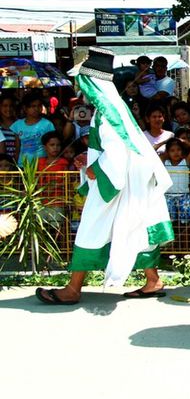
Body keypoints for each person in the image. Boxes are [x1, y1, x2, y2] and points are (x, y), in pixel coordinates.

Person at [35, 48, 174, 304]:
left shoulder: (106, 114)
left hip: (117, 181)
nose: (82, 90)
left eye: (84, 84)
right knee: (136, 229)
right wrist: (89, 161)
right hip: (133, 182)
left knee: (91, 228)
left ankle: (73, 289)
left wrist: (93, 169)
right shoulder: (114, 109)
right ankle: (153, 280)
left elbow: (117, 154)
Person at [11, 91, 55, 166]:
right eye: (33, 106)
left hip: (41, 166)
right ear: (25, 108)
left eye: (39, 106)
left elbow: (52, 146)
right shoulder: (17, 125)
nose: (36, 109)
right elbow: (17, 148)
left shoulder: (48, 125)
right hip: (22, 165)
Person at [0, 93, 20, 161]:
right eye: (5, 106)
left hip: (18, 164)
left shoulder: (20, 124)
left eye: (11, 106)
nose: (8, 109)